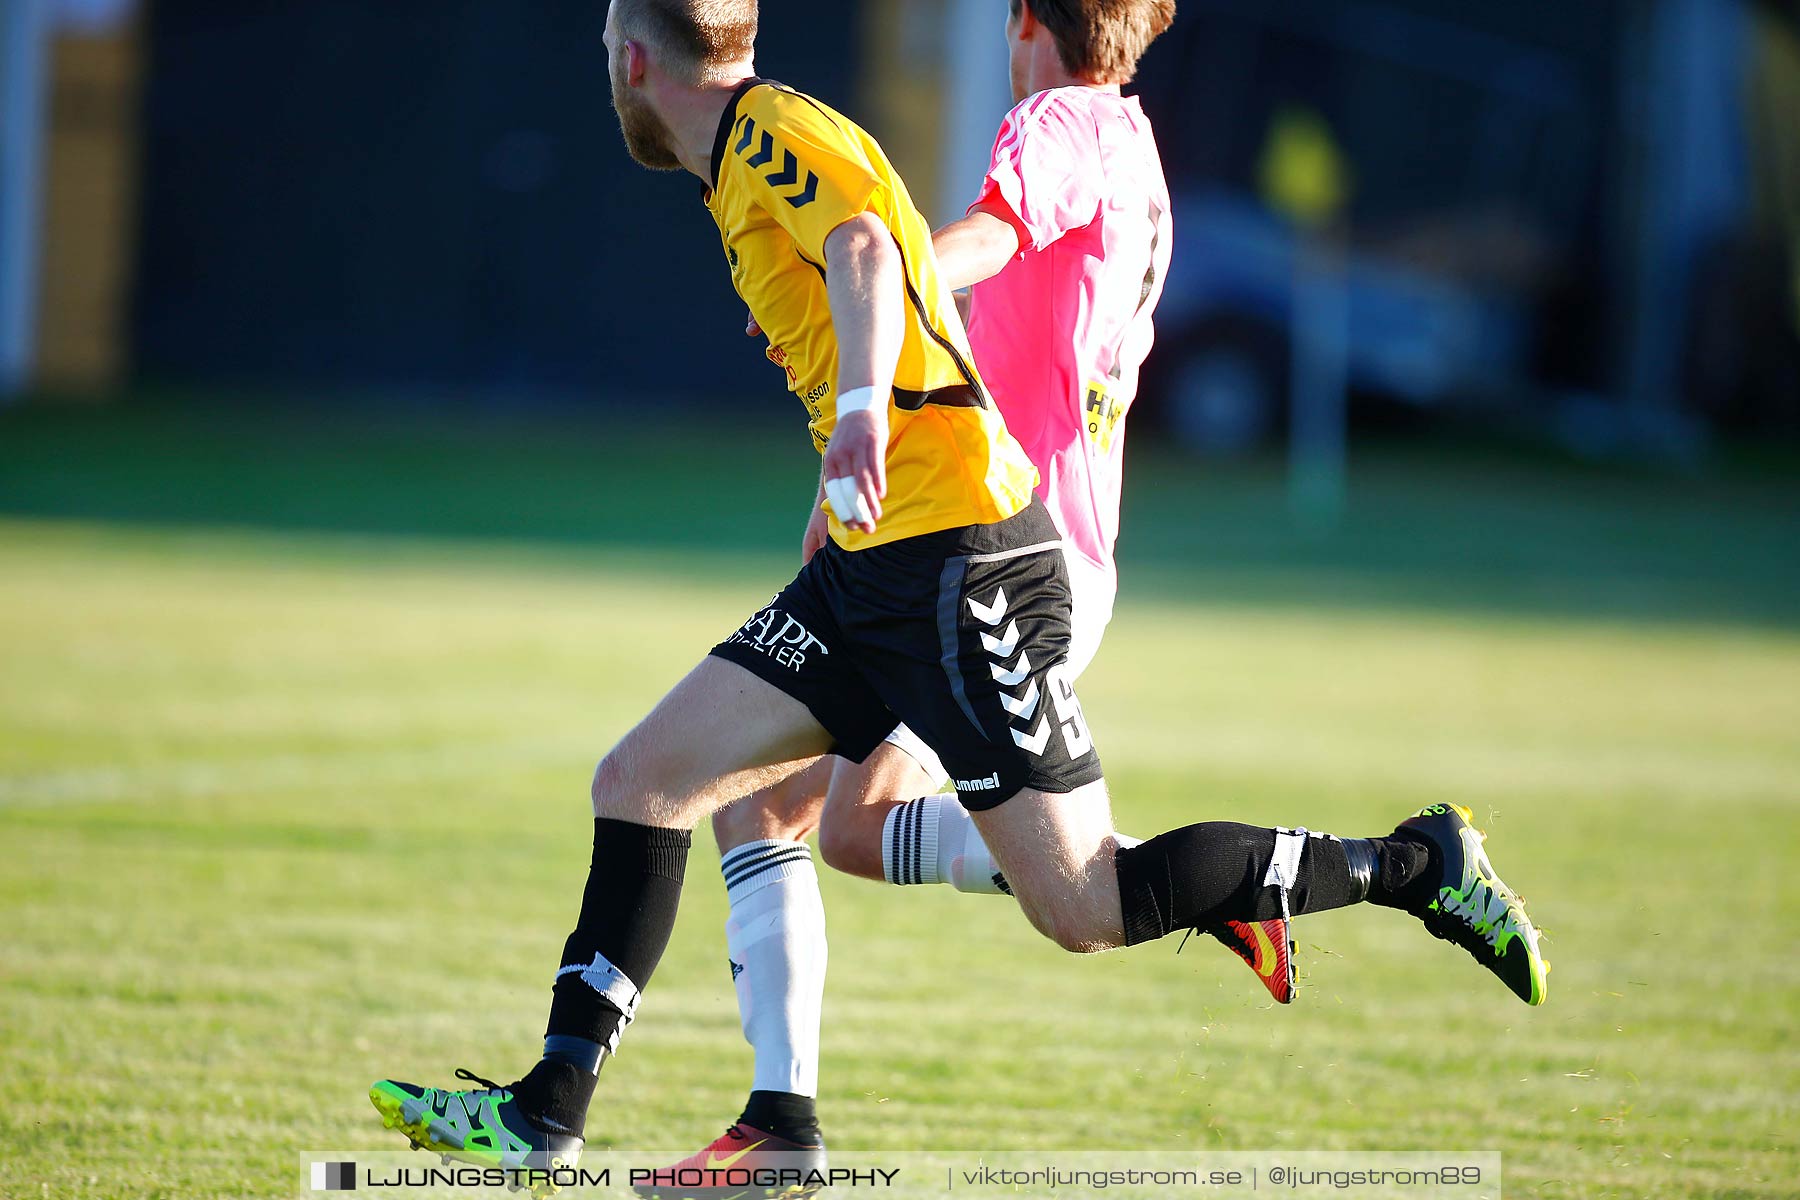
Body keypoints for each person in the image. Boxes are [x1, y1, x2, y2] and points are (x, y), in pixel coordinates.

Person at [368, 0, 1550, 1188]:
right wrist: (845, 452)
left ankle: (1413, 868)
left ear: (631, 61)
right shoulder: (784, 160)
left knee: (1085, 902)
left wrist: (867, 403)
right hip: (885, 557)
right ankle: (573, 1116)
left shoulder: (873, 128)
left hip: (965, 558)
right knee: (652, 783)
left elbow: (888, 250)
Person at [640, 2, 1300, 1187]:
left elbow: (987, 242)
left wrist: (874, 293)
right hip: (1036, 543)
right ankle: (780, 1126)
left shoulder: (1053, 118)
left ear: (1024, 22)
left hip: (986, 555)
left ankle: (783, 1128)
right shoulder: (1137, 142)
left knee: (790, 822)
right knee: (816, 824)